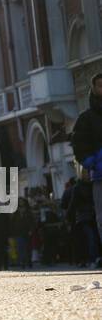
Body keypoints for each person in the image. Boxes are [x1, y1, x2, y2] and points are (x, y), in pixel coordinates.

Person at [71, 74, 102, 252]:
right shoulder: (87, 118)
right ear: (94, 89)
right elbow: (79, 145)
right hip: (100, 174)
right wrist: (93, 162)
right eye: (100, 86)